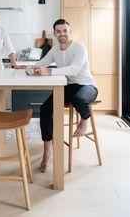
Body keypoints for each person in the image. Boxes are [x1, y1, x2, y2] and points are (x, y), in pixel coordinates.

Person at [33, 19, 98, 173]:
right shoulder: (55, 50)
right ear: (55, 33)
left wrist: (49, 71)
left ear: (70, 31)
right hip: (68, 86)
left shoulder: (80, 47)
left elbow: (74, 69)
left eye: (65, 30)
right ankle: (47, 149)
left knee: (80, 100)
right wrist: (32, 67)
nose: (62, 34)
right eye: (58, 31)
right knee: (45, 109)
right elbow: (43, 62)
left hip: (86, 85)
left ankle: (84, 119)